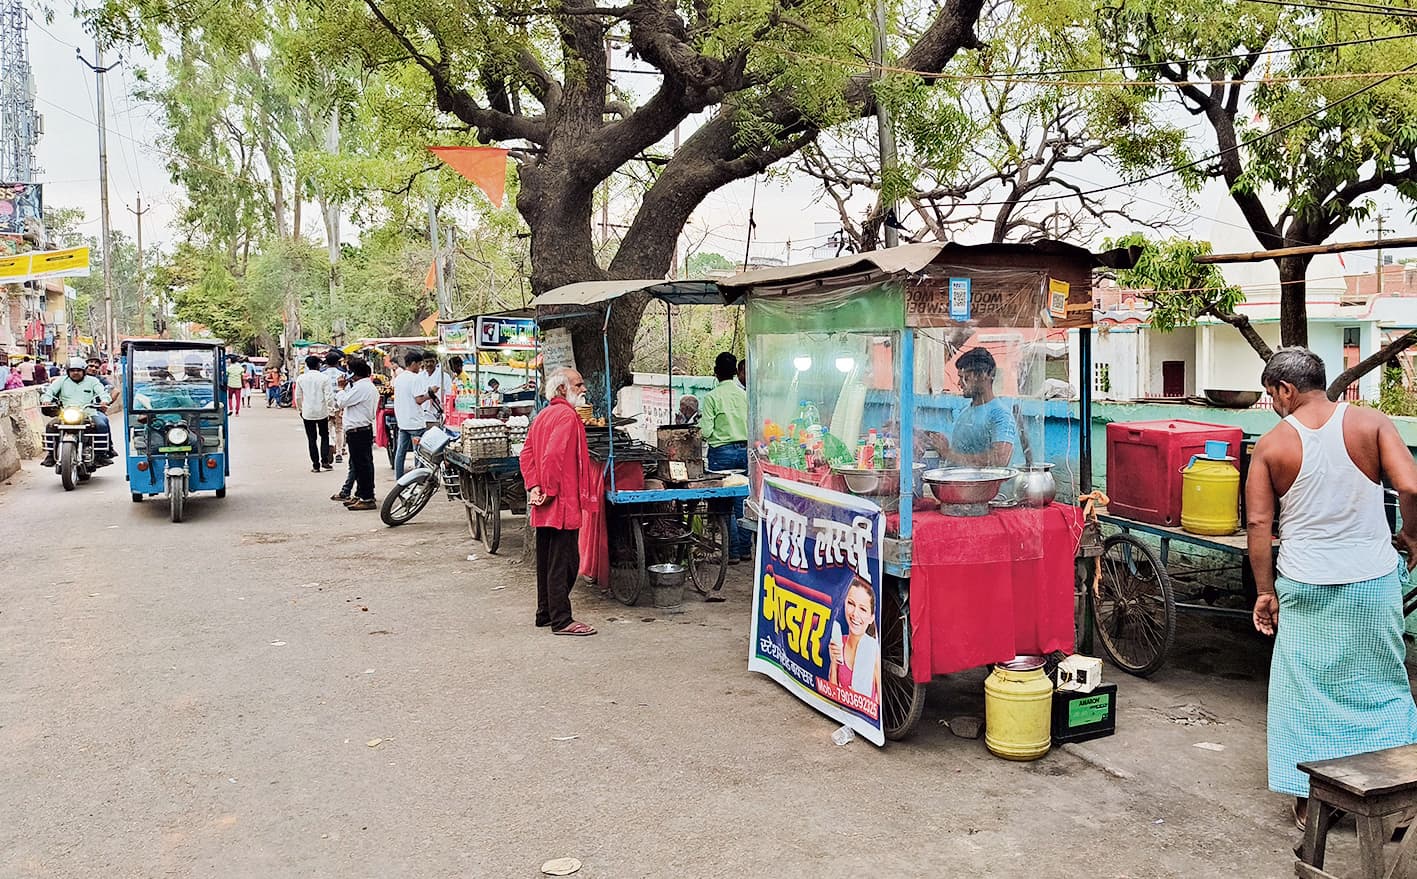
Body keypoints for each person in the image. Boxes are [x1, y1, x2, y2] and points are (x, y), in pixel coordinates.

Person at [1247, 347, 1417, 830]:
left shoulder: (1273, 445)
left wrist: (1265, 590)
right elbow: (1412, 487)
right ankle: (1398, 802)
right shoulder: (1372, 424)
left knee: (1306, 691)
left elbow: (1260, 523)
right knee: (1381, 683)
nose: (1274, 405)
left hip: (1305, 583)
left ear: (1285, 390)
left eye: (1272, 396)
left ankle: (1310, 801)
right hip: (1372, 580)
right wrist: (1412, 535)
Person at [519, 367, 597, 636]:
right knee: (565, 562)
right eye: (578, 384)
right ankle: (561, 619)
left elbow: (526, 454)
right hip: (561, 501)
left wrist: (535, 486)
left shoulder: (543, 415)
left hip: (546, 499)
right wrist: (548, 490)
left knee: (547, 559)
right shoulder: (566, 416)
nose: (583, 389)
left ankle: (545, 612)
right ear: (563, 389)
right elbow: (552, 457)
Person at [924, 347, 1017, 467]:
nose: (959, 384)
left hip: (980, 485)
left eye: (965, 378)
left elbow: (1000, 459)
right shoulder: (966, 411)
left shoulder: (1000, 415)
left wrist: (948, 453)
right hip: (958, 484)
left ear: (983, 376)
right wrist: (944, 447)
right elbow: (962, 455)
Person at [700, 351, 751, 564]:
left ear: (716, 373)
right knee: (743, 501)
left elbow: (705, 431)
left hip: (721, 453)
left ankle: (732, 553)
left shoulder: (712, 397)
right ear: (734, 373)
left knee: (724, 506)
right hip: (745, 452)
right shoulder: (745, 396)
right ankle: (746, 550)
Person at [39, 357, 113, 466]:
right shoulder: (61, 381)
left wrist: (105, 400)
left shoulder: (92, 381)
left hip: (88, 412)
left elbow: (102, 392)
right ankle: (51, 454)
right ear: (68, 371)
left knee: (102, 424)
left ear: (83, 371)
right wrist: (46, 400)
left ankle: (101, 455)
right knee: (50, 426)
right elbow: (50, 391)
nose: (75, 373)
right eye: (72, 370)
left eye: (78, 370)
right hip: (66, 413)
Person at [332, 357, 379, 511]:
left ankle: (367, 497)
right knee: (359, 465)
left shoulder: (361, 388)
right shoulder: (363, 386)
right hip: (359, 430)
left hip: (359, 431)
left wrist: (340, 389)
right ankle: (361, 494)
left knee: (362, 465)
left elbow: (343, 402)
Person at [828, 577, 880, 699]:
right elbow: (832, 695)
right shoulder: (839, 643)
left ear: (871, 617)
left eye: (863, 609)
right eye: (851, 604)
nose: (855, 614)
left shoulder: (873, 650)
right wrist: (834, 662)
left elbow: (878, 702)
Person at [392, 350, 433, 478]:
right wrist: (430, 394)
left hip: (403, 421)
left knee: (400, 452)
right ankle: (417, 478)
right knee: (418, 453)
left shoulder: (399, 378)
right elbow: (419, 399)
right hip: (415, 422)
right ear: (414, 363)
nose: (420, 368)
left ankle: (398, 477)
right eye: (420, 365)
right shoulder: (416, 378)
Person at [294, 354, 333, 473]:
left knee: (311, 438)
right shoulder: (324, 378)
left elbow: (298, 397)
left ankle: (315, 464)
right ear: (318, 365)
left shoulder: (301, 378)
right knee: (324, 436)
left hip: (308, 412)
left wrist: (300, 409)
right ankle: (325, 461)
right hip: (322, 411)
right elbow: (329, 396)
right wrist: (330, 409)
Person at [322, 351, 348, 465]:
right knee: (339, 429)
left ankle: (331, 445)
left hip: (326, 406)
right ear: (338, 362)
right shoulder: (343, 374)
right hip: (339, 404)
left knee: (327, 429)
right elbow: (345, 390)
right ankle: (339, 452)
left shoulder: (322, 374)